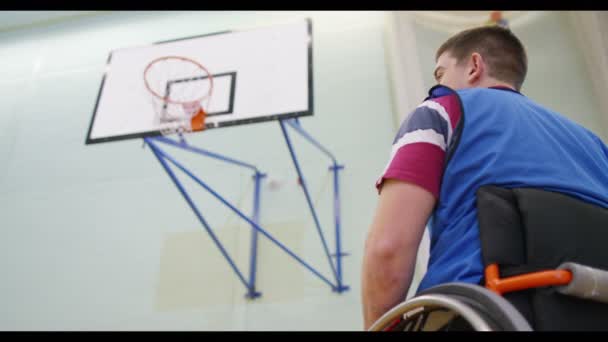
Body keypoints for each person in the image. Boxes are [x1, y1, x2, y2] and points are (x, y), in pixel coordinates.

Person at [361, 25, 608, 330]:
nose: (437, 83)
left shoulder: (440, 111)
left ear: (475, 66)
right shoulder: (595, 145)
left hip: (482, 312)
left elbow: (388, 248)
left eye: (440, 74)